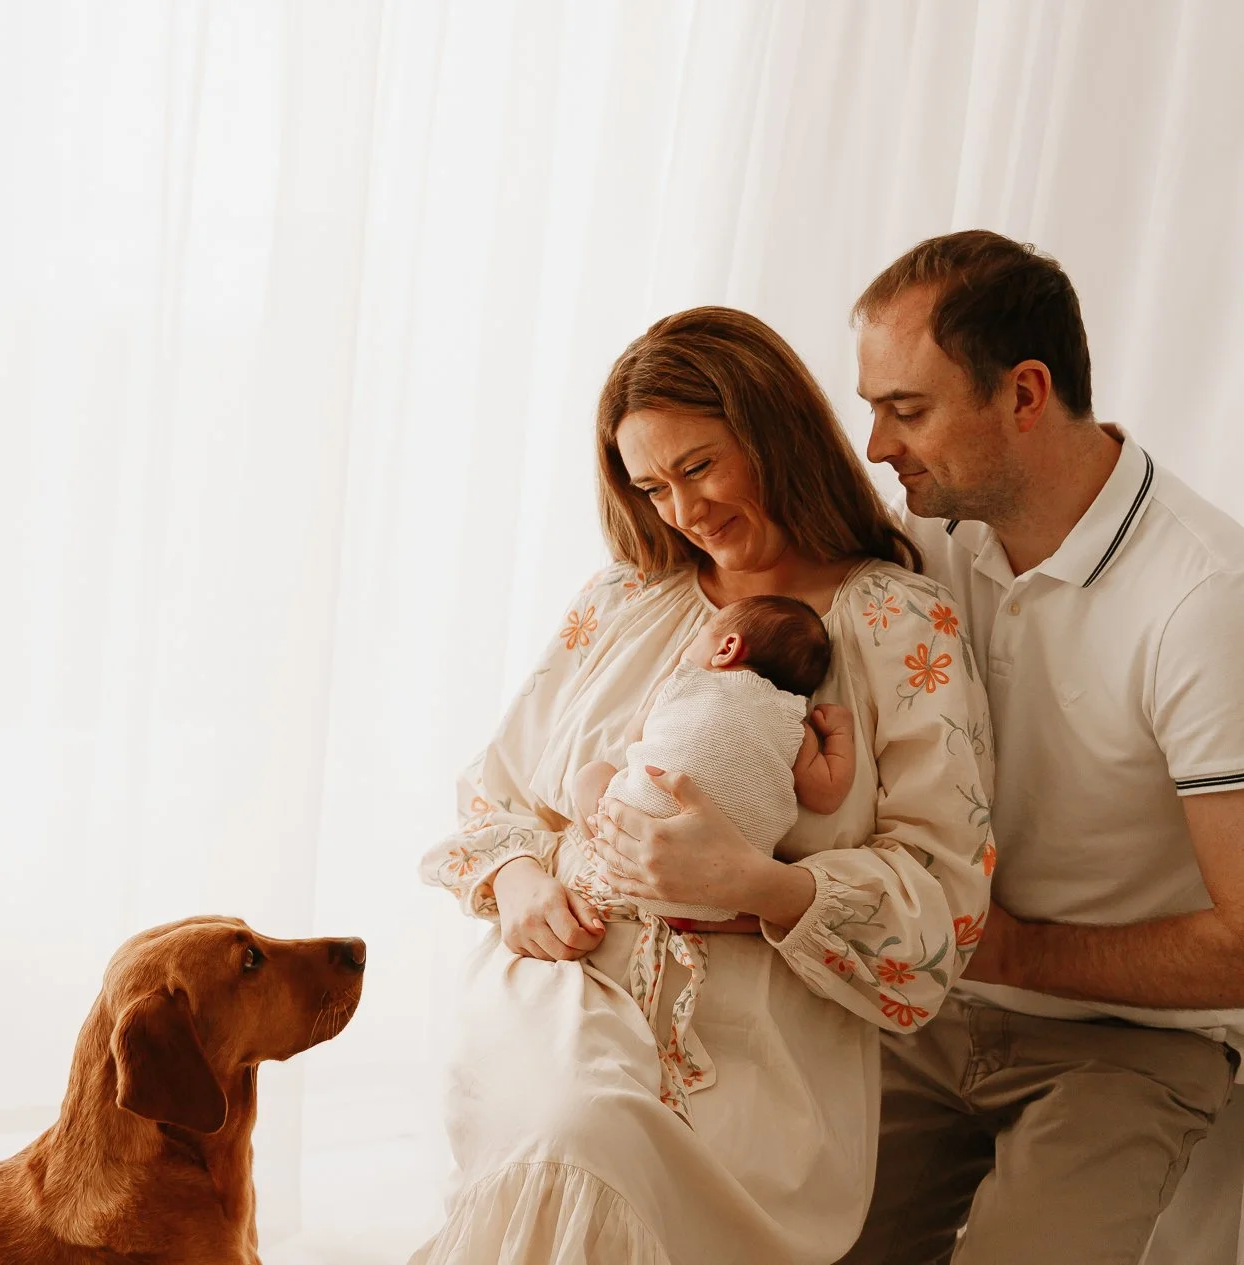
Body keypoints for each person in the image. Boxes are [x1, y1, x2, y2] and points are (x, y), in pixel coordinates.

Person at [413, 306, 995, 1265]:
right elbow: (497, 799)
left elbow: (941, 914)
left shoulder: (897, 624)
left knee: (600, 1144)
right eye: (649, 485)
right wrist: (519, 884)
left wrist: (755, 882)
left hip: (752, 1057)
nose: (682, 512)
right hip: (560, 994)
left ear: (776, 438)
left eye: (698, 468)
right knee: (572, 1130)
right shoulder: (620, 602)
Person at [839, 229, 1244, 1264]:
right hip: (934, 1013)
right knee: (763, 1231)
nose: (879, 445)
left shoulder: (1202, 601)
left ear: (1025, 392)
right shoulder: (931, 538)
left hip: (1132, 1043)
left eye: (906, 408)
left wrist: (1006, 945)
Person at [562, 595, 855, 1119]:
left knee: (591, 776)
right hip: (719, 897)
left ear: (726, 648)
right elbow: (828, 794)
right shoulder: (795, 722)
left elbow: (636, 739)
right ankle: (714, 918)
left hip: (628, 850)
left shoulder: (685, 681)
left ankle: (598, 843)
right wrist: (840, 736)